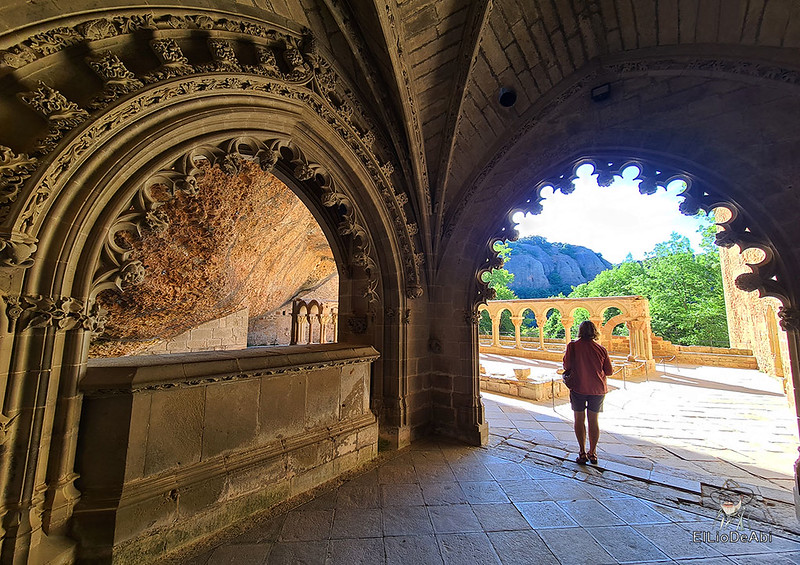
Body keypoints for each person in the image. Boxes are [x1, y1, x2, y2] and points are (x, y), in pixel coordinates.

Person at [563, 320, 613, 465]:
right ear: (595, 332)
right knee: (593, 420)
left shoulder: (573, 346)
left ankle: (582, 452)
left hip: (578, 387)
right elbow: (609, 371)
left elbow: (567, 365)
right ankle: (593, 452)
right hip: (597, 389)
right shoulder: (601, 349)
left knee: (579, 420)